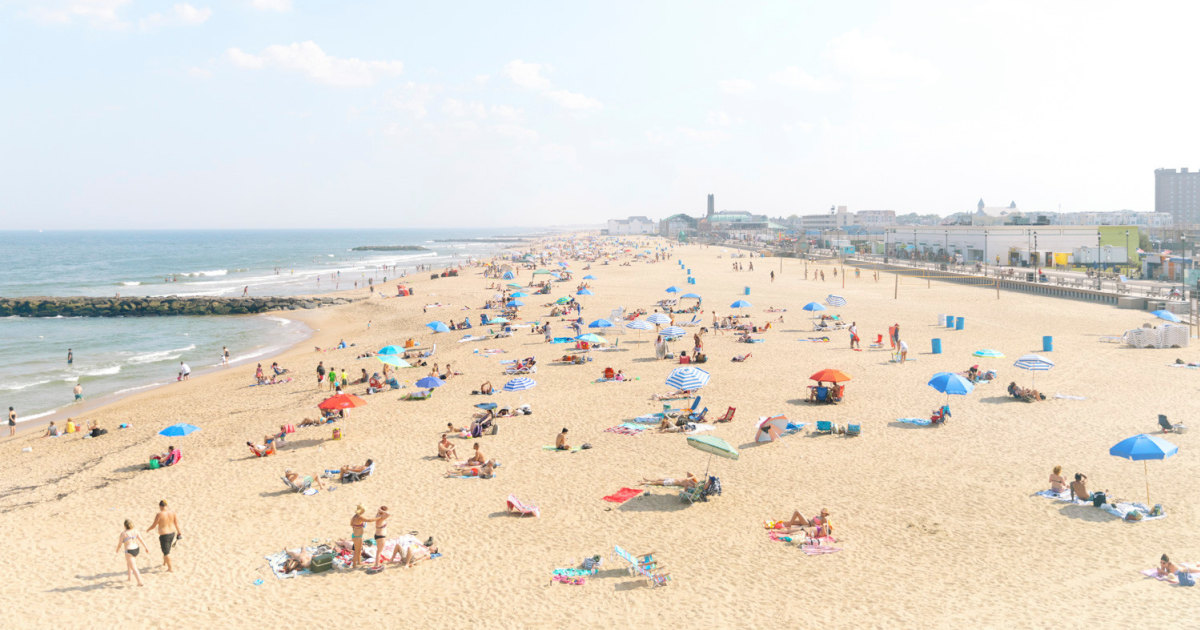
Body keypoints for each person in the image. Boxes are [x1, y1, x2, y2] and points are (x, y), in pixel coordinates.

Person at [146, 499, 183, 573]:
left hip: (164, 535)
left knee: (166, 552)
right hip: (172, 533)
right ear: (166, 505)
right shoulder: (173, 512)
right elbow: (176, 524)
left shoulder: (159, 514)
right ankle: (164, 563)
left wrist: (148, 529)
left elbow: (154, 525)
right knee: (166, 549)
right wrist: (179, 532)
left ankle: (170, 568)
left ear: (160, 506)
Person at [116, 519, 148, 586]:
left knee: (134, 567)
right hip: (136, 549)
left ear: (125, 526)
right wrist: (146, 547)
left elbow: (120, 544)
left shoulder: (123, 533)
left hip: (129, 550)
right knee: (129, 563)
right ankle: (129, 577)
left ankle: (140, 582)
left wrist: (117, 549)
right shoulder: (135, 531)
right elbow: (141, 539)